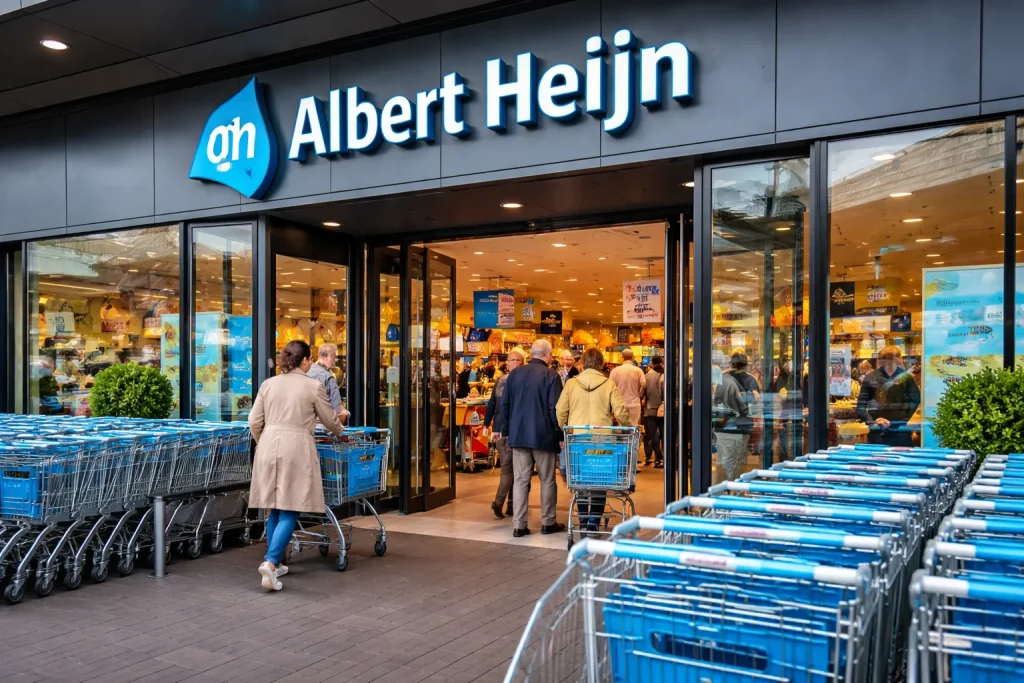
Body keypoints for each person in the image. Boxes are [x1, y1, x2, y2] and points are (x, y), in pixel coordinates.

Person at [248, 340, 345, 591]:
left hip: (268, 445)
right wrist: (340, 430)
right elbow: (330, 419)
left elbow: (253, 420)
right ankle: (270, 563)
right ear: (304, 361)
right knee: (291, 507)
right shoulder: (312, 387)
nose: (310, 363)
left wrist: (264, 440)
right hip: (297, 448)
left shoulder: (268, 384)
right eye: (309, 359)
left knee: (275, 508)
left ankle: (276, 561)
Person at [556, 348, 632, 534]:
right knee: (599, 479)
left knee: (581, 481)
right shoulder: (608, 384)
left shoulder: (571, 384)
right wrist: (628, 427)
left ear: (582, 362)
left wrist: (565, 428)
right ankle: (593, 522)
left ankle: (582, 521)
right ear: (602, 364)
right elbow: (620, 411)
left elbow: (560, 411)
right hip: (602, 439)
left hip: (578, 440)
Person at [498, 339, 564, 538]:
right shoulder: (551, 376)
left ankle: (519, 525)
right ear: (548, 355)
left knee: (520, 480)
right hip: (544, 436)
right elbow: (556, 409)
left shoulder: (514, 374)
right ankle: (547, 521)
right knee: (547, 480)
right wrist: (560, 434)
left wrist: (506, 430)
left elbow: (505, 405)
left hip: (518, 436)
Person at [483, 347, 525, 519]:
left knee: (510, 470)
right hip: (512, 432)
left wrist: (488, 426)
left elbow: (492, 404)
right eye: (510, 360)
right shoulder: (521, 381)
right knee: (515, 470)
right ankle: (503, 503)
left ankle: (509, 505)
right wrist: (488, 424)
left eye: (516, 360)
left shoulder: (501, 381)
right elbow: (494, 404)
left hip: (501, 431)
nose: (512, 363)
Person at [857, 346, 920, 447]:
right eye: (886, 360)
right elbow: (915, 400)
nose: (888, 363)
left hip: (890, 429)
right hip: (888, 430)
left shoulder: (906, 378)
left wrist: (872, 421)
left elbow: (861, 404)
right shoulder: (906, 377)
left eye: (890, 360)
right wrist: (873, 422)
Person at [713, 352, 757, 481]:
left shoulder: (722, 378)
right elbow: (754, 403)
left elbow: (716, 401)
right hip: (742, 425)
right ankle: (736, 491)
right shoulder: (751, 379)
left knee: (723, 461)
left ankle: (722, 492)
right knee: (739, 462)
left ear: (730, 363)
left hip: (724, 426)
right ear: (747, 365)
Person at [306, 343, 349, 423]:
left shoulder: (304, 372)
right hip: (322, 428)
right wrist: (345, 413)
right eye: (333, 357)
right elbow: (338, 409)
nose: (334, 360)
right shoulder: (328, 377)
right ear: (325, 357)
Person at [609, 349, 646, 435]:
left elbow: (610, 387)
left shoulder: (615, 371)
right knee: (633, 428)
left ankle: (621, 447)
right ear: (633, 357)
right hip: (634, 402)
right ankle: (631, 447)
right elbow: (644, 384)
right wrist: (640, 393)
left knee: (619, 428)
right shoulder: (638, 370)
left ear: (622, 357)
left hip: (619, 404)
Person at [642, 356, 665, 467]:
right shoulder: (666, 375)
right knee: (664, 434)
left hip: (650, 409)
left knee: (653, 433)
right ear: (661, 363)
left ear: (651, 363)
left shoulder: (646, 376)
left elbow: (641, 393)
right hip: (663, 409)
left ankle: (656, 457)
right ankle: (664, 457)